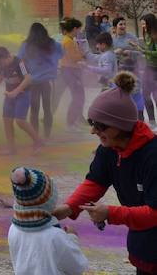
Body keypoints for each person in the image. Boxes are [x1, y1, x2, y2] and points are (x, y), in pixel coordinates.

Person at [52, 73, 157, 275]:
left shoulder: (152, 156)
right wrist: (68, 208)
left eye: (99, 125)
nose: (93, 131)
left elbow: (154, 213)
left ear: (120, 126)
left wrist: (110, 213)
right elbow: (96, 182)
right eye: (92, 123)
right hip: (143, 241)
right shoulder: (109, 149)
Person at [7, 167, 88, 275]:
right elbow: (78, 266)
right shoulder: (55, 236)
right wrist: (72, 238)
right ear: (48, 200)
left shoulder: (13, 229)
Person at [0, 46, 42, 155]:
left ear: (7, 56)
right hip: (9, 95)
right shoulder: (1, 65)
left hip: (23, 94)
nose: (1, 64)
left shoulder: (19, 63)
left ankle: (38, 141)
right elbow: (0, 77)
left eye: (2, 61)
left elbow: (28, 78)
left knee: (20, 121)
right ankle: (11, 149)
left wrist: (16, 92)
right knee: (7, 120)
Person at [18, 23, 64, 139]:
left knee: (34, 110)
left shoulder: (26, 45)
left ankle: (35, 137)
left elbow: (20, 62)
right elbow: (61, 55)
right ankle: (47, 136)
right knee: (48, 109)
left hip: (32, 82)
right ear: (44, 31)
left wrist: (25, 75)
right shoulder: (53, 44)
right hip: (48, 82)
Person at [54, 18, 86, 131]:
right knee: (78, 97)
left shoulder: (70, 40)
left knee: (78, 97)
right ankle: (70, 123)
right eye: (79, 29)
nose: (79, 31)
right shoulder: (68, 41)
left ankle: (72, 122)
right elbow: (74, 58)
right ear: (74, 29)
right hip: (70, 71)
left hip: (70, 70)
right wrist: (83, 55)